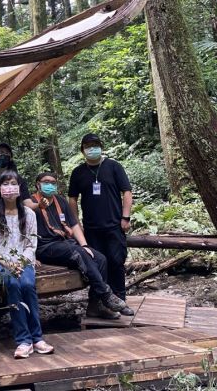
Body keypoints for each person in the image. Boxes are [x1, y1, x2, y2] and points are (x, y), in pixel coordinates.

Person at [31, 172, 130, 320]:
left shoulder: (60, 201)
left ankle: (95, 306)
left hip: (65, 244)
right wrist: (30, 255)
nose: (49, 185)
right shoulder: (31, 203)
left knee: (100, 258)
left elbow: (74, 224)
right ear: (38, 184)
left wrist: (85, 245)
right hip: (45, 247)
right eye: (46, 181)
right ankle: (106, 294)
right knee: (76, 251)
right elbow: (22, 229)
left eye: (53, 182)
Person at [0, 170, 54, 359]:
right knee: (13, 284)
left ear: (20, 187)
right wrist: (8, 264)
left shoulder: (29, 213)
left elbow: (31, 244)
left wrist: (20, 262)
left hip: (23, 262)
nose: (9, 188)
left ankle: (37, 339)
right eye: (5, 184)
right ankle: (23, 340)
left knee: (28, 285)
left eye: (13, 183)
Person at [68, 133, 133, 311]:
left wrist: (125, 217)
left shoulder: (113, 167)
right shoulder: (78, 172)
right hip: (91, 228)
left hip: (114, 225)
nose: (92, 148)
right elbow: (72, 199)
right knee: (97, 264)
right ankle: (99, 302)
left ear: (101, 147)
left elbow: (126, 191)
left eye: (95, 145)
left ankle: (120, 300)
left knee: (116, 261)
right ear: (82, 150)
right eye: (88, 146)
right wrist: (76, 224)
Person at [0, 143, 34, 215]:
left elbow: (27, 202)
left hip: (15, 218)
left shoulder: (18, 179)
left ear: (11, 158)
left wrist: (39, 205)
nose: (3, 155)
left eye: (6, 153)